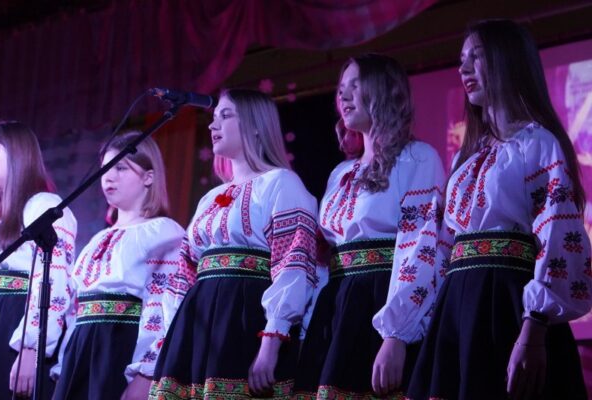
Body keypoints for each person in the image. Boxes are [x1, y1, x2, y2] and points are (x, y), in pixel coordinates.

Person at [407, 19, 592, 400]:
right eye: (461, 60)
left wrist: (534, 326)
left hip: (506, 301)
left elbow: (557, 235)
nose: (464, 68)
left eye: (476, 56)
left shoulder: (537, 144)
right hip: (459, 304)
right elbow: (440, 241)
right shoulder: (465, 157)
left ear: (507, 60)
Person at [149, 88, 318, 399]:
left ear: (255, 125)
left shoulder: (281, 183)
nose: (213, 125)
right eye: (213, 118)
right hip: (197, 324)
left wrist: (272, 339)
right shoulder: (209, 198)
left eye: (225, 116)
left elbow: (293, 264)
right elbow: (185, 272)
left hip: (244, 320)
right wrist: (173, 337)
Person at [294, 54, 446, 399]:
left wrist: (397, 334)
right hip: (339, 305)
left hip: (381, 300)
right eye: (340, 88)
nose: (343, 95)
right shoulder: (341, 173)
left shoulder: (417, 158)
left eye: (355, 85)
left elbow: (421, 247)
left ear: (383, 90)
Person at [53, 132, 191, 400]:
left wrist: (146, 373)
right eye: (105, 168)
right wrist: (64, 365)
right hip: (82, 352)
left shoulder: (163, 232)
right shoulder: (97, 240)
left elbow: (165, 309)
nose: (108, 177)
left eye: (121, 168)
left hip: (120, 348)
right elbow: (74, 311)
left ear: (148, 177)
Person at [0, 121, 77, 399]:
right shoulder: (2, 219)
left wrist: (31, 348)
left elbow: (54, 278)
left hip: (14, 322)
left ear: (16, 153)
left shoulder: (43, 205)